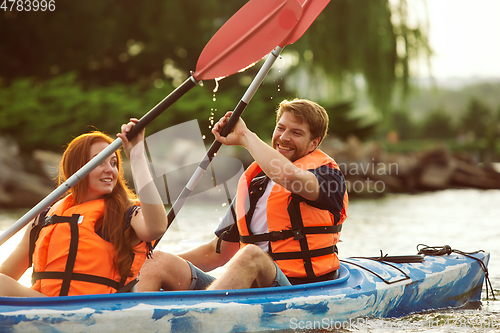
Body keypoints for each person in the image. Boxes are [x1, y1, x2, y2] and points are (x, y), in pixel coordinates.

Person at [138, 99, 348, 291]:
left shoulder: (328, 177)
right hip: (249, 290)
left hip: (299, 288)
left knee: (251, 255)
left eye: (296, 132)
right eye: (281, 128)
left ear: (314, 143)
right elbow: (216, 254)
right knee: (155, 260)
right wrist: (144, 260)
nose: (284, 137)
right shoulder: (254, 184)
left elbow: (289, 177)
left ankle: (203, 319)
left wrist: (244, 136)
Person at [0, 119, 168, 297]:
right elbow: (7, 274)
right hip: (45, 307)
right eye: (100, 162)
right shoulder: (43, 219)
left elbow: (155, 228)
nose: (110, 170)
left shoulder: (124, 213)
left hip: (95, 307)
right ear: (77, 167)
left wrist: (136, 157)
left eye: (113, 163)